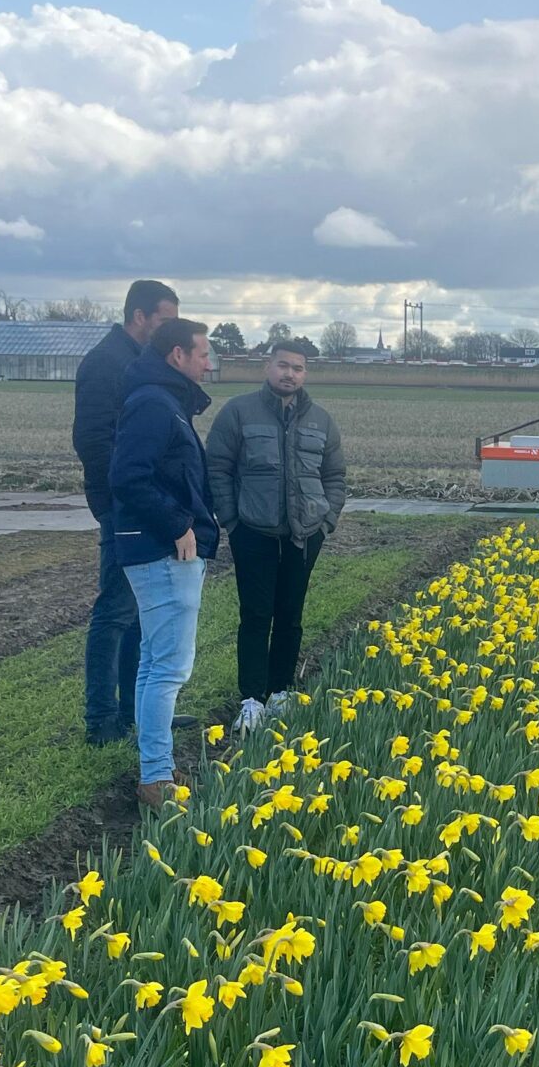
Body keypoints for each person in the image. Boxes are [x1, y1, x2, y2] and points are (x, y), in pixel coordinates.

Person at [206, 340, 346, 729]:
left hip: (305, 535)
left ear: (305, 374)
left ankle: (282, 692)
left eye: (298, 368)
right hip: (253, 531)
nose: (290, 374)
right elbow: (217, 467)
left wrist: (327, 520)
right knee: (255, 614)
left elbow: (335, 476)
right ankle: (251, 699)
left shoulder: (320, 419)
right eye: (283, 365)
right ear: (268, 368)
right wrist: (231, 520)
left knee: (291, 614)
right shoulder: (239, 412)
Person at [108, 316, 218, 805]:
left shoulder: (162, 400)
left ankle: (154, 766)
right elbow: (128, 476)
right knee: (168, 667)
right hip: (163, 550)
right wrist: (178, 524)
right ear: (177, 355)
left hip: (157, 547)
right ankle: (156, 777)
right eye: (203, 354)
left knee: (154, 663)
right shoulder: (154, 404)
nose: (209, 362)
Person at [72, 279, 181, 744]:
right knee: (115, 609)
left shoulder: (141, 363)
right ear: (140, 316)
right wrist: (121, 498)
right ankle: (102, 719)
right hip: (124, 506)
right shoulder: (106, 363)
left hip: (146, 503)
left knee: (140, 610)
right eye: (165, 320)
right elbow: (93, 440)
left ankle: (138, 711)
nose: (170, 330)